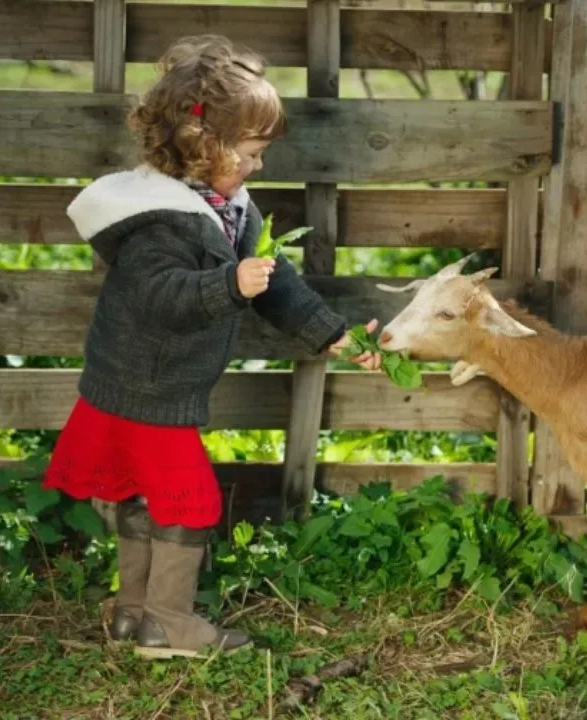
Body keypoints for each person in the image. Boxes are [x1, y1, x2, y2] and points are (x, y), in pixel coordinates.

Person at [42, 34, 381, 660]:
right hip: (144, 387)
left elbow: (280, 289)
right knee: (186, 500)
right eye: (251, 153)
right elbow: (159, 295)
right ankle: (169, 625)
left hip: (161, 386)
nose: (258, 166)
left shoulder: (231, 210)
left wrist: (334, 334)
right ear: (203, 147)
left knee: (149, 493)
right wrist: (229, 282)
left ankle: (136, 613)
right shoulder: (156, 220)